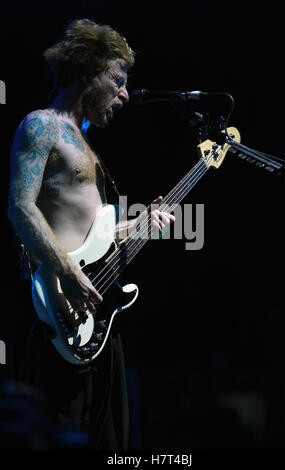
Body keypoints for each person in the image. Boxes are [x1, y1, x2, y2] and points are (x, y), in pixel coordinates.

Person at [7, 18, 175, 449]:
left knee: (110, 441)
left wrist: (138, 226)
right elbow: (20, 206)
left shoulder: (86, 145)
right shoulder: (41, 125)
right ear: (87, 69)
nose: (124, 94)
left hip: (95, 318)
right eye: (118, 80)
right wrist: (68, 272)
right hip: (57, 309)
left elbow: (89, 233)